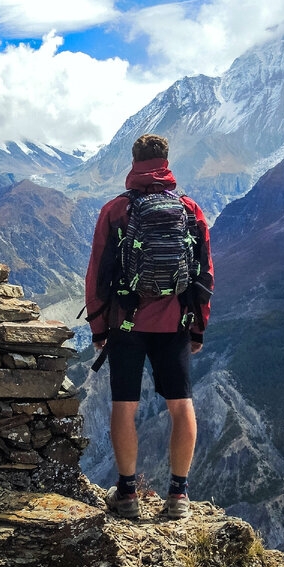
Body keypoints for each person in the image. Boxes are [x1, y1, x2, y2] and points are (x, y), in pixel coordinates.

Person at [84, 134, 213, 520]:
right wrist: (198, 328)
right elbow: (205, 273)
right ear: (167, 161)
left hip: (125, 322)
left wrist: (98, 327)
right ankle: (178, 496)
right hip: (175, 321)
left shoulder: (114, 211)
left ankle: (126, 494)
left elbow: (96, 274)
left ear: (134, 161)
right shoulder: (190, 210)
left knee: (124, 406)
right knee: (180, 404)